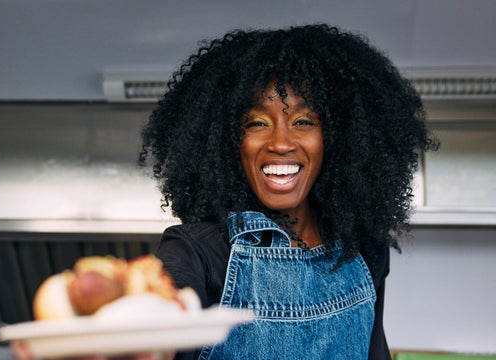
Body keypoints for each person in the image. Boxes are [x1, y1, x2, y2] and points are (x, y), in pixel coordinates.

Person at [139, 23, 439, 360]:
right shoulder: (198, 253)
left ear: (338, 140)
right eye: (256, 123)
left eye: (304, 121)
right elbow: (154, 333)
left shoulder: (364, 249)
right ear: (227, 143)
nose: (281, 143)